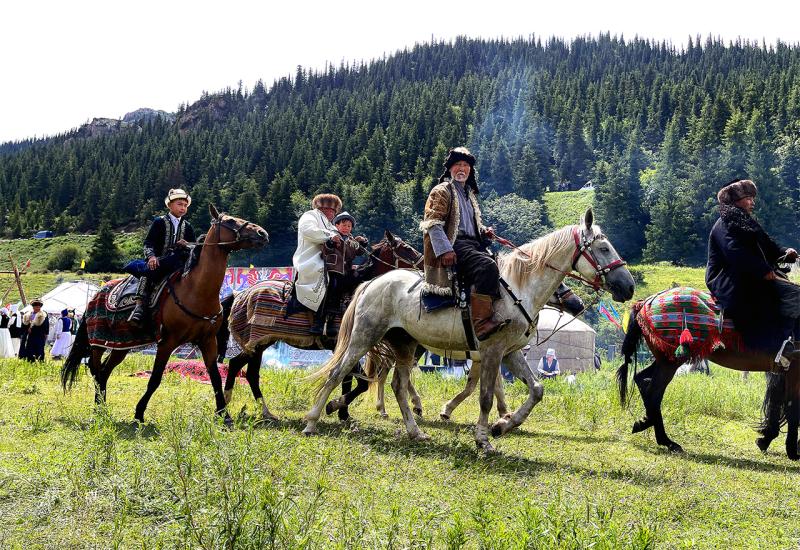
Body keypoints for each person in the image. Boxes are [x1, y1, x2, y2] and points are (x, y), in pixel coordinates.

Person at [706, 179, 800, 364]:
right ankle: (782, 343)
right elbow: (735, 253)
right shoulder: (724, 224)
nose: (752, 202)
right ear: (736, 201)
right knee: (796, 294)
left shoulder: (746, 222)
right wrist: (762, 270)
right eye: (748, 198)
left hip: (747, 276)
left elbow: (768, 245)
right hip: (730, 280)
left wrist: (785, 253)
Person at [420, 146, 509, 341]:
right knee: (487, 266)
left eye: (466, 165)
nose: (462, 169)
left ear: (470, 170)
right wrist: (445, 250)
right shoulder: (442, 190)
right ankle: (481, 324)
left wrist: (484, 231)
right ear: (450, 169)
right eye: (458, 165)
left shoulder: (469, 194)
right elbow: (433, 224)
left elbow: (470, 225)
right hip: (455, 244)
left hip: (471, 245)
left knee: (503, 267)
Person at [129, 188, 196, 326]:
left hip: (178, 262)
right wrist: (152, 257)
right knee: (148, 271)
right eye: (179, 204)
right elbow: (148, 243)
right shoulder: (159, 222)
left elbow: (193, 247)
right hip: (159, 260)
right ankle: (139, 305)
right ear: (169, 205)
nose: (183, 208)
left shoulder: (188, 226)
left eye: (185, 205)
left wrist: (187, 245)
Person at [292, 193, 343, 335]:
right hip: (311, 259)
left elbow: (342, 241)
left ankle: (333, 318)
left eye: (334, 211)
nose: (333, 213)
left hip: (329, 260)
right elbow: (308, 230)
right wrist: (329, 236)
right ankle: (319, 321)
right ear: (322, 208)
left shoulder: (330, 225)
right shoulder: (310, 216)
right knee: (328, 278)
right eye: (331, 210)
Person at [322, 211, 369, 333]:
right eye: (343, 225)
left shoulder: (351, 240)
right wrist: (331, 242)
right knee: (334, 286)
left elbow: (359, 251)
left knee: (361, 280)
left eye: (349, 226)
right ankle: (330, 316)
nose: (346, 228)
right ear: (337, 226)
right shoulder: (331, 235)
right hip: (333, 269)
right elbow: (326, 247)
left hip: (346, 271)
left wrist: (363, 243)